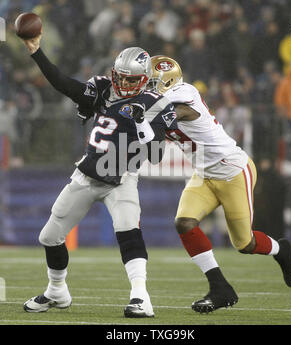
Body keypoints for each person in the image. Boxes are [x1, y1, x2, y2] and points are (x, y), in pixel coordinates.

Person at [18, 35, 177, 318]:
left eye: (131, 80)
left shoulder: (155, 103)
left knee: (129, 233)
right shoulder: (103, 88)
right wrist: (36, 51)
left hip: (122, 177)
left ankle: (141, 297)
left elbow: (155, 155)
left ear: (143, 79)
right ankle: (57, 292)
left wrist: (140, 122)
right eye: (121, 77)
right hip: (88, 174)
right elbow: (65, 84)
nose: (123, 83)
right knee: (50, 236)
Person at [149, 55, 291, 313]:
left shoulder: (184, 95)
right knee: (184, 222)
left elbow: (174, 115)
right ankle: (219, 288)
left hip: (232, 171)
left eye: (151, 82)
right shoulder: (158, 101)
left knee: (245, 244)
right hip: (204, 174)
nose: (146, 86)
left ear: (168, 82)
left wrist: (139, 119)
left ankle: (281, 250)